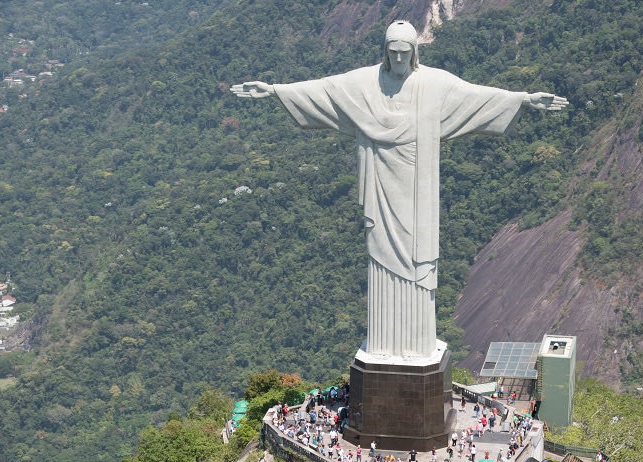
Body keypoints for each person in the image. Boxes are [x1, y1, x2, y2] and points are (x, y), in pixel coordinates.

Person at [233, 21, 567, 360]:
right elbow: (325, 90)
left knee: (417, 261)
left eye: (404, 53)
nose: (397, 59)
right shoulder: (365, 83)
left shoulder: (434, 84)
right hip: (380, 190)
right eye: (392, 52)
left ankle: (416, 345)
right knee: (381, 257)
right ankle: (383, 345)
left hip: (417, 196)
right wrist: (275, 90)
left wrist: (524, 100)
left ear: (414, 53)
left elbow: (478, 96)